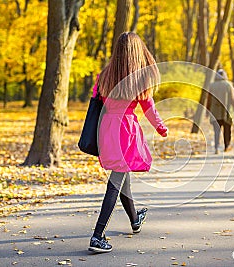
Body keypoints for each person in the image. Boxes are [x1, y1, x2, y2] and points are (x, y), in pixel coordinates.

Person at [88, 32, 168, 253]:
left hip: (106, 130)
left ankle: (135, 220)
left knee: (123, 178)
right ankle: (97, 235)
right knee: (116, 180)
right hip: (125, 130)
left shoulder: (103, 76)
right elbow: (149, 108)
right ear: (136, 53)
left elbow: (96, 101)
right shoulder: (138, 78)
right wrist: (161, 128)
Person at [206, 69, 234, 154]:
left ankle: (216, 147)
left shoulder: (212, 86)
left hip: (214, 112)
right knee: (227, 130)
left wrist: (207, 111)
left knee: (216, 130)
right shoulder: (228, 85)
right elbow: (232, 98)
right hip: (226, 112)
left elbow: (208, 100)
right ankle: (226, 146)